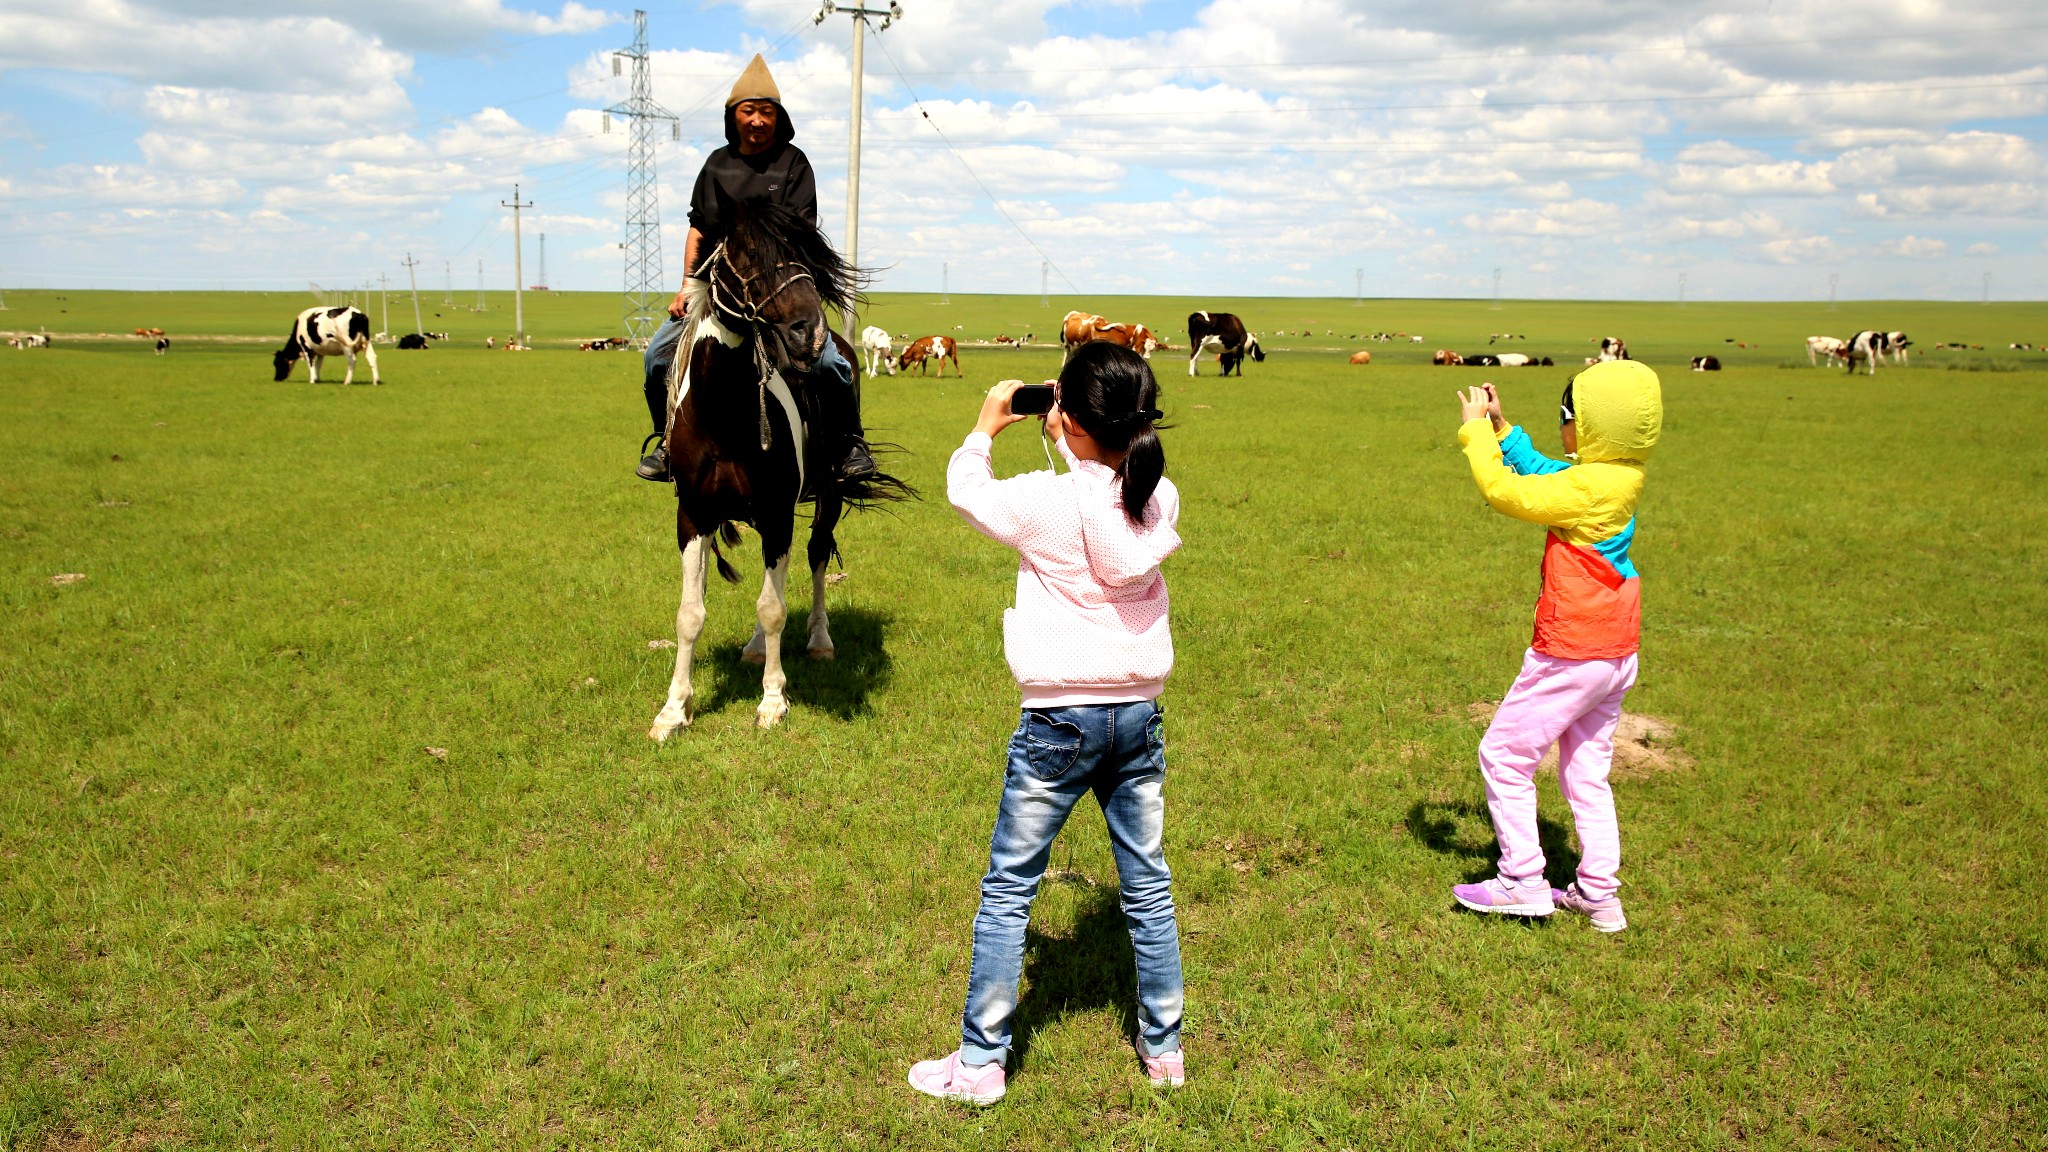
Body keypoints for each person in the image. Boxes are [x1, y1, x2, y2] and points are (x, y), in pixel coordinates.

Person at [909, 343, 1186, 1105]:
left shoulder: (1043, 500)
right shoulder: (1156, 497)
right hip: (1136, 713)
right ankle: (1164, 1050)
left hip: (1057, 720)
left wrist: (984, 428)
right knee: (1148, 885)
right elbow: (1114, 493)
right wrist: (1073, 438)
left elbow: (969, 493)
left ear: (1065, 416)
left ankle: (979, 1064)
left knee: (1009, 891)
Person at [1450, 361, 1663, 933]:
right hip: (1616, 651)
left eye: (1566, 418)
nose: (1563, 427)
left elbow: (1507, 491)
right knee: (1586, 774)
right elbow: (1552, 475)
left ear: (1590, 426)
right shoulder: (1619, 475)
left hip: (1571, 651)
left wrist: (1474, 433)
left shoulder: (1589, 485)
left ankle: (1521, 880)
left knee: (1503, 756)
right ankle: (1599, 895)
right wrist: (1504, 430)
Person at [636, 54, 875, 484]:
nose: (758, 120)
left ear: (778, 118)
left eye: (767, 112)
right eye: (749, 111)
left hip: (778, 293)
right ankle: (668, 443)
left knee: (831, 365)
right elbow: (698, 230)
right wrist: (688, 288)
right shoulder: (716, 165)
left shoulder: (794, 164)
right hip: (717, 291)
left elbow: (800, 235)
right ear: (734, 117)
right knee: (656, 357)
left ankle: (850, 444)